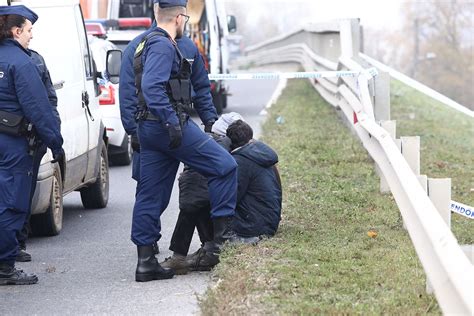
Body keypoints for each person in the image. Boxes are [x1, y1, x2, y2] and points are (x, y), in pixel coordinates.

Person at [129, 0, 237, 282]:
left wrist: (135, 129)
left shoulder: (143, 43)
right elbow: (152, 87)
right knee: (224, 165)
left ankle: (145, 262)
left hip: (148, 129)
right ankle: (222, 242)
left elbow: (131, 90)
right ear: (179, 18)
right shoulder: (165, 45)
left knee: (150, 195)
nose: (185, 22)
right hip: (169, 127)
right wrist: (171, 121)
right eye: (185, 18)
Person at [119, 0, 218, 256]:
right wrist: (133, 131)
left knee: (190, 189)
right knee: (153, 194)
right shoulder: (139, 46)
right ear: (178, 16)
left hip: (178, 127)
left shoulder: (187, 46)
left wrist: (210, 121)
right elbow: (129, 92)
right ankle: (148, 244)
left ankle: (155, 249)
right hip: (155, 129)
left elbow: (201, 87)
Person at [0, 5, 64, 285]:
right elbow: (40, 109)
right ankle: (5, 267)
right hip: (14, 145)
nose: (31, 36)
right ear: (16, 31)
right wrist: (56, 143)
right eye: (28, 30)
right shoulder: (21, 63)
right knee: (12, 204)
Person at [161, 112, 244, 275]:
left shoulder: (211, 142)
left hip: (198, 197)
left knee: (194, 204)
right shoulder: (230, 146)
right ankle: (207, 248)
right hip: (247, 214)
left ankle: (189, 254)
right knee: (198, 201)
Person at [15, 46, 61, 263]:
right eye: (28, 30)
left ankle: (18, 242)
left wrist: (53, 135)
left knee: (24, 193)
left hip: (30, 140)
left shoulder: (35, 59)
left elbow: (49, 101)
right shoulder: (27, 60)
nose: (31, 35)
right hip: (18, 139)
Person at [226, 120, 282, 240]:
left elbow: (232, 198)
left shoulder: (240, 161)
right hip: (270, 221)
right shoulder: (260, 154)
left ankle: (211, 249)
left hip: (254, 227)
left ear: (229, 141)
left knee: (205, 206)